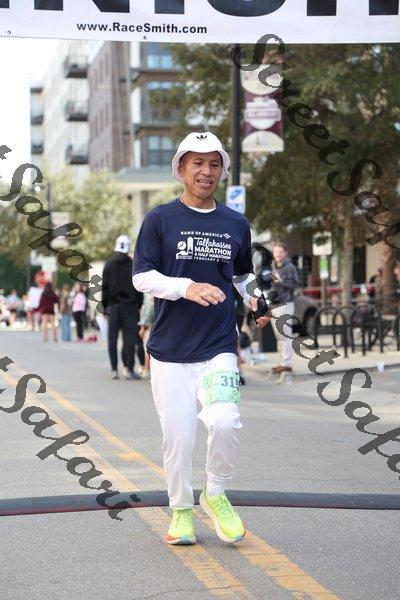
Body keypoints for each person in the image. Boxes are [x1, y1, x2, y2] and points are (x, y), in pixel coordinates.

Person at [133, 131, 269, 546]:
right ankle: (180, 510)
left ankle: (215, 493)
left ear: (222, 171)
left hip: (218, 345)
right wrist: (185, 287)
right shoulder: (159, 219)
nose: (206, 171)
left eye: (214, 164)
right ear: (181, 169)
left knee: (225, 421)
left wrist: (256, 298)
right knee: (178, 438)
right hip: (170, 350)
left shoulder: (235, 223)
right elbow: (142, 277)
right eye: (197, 163)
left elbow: (242, 275)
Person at [102, 235, 143, 380]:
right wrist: (139, 304)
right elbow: (138, 287)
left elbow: (104, 287)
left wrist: (104, 306)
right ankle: (128, 368)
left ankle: (114, 369)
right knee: (129, 340)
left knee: (112, 339)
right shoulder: (133, 265)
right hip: (130, 307)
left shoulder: (108, 265)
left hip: (113, 306)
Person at [269, 243, 299, 374]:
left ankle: (286, 364)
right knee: (279, 335)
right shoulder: (273, 266)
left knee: (285, 334)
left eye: (280, 252)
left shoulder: (290, 267)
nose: (278, 255)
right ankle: (283, 362)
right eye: (276, 252)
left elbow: (295, 284)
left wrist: (280, 281)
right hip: (274, 303)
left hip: (286, 303)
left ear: (285, 253)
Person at [138, 293, 155, 379]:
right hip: (159, 325)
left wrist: (143, 327)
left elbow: (148, 310)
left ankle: (146, 369)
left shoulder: (148, 293)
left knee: (147, 348)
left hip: (150, 325)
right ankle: (147, 369)